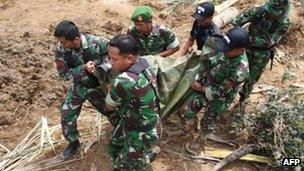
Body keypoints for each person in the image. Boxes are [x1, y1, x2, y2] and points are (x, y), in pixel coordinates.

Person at [53, 20, 112, 159]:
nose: (61, 45)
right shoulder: (60, 50)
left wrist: (103, 68)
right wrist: (83, 68)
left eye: (64, 42)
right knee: (66, 114)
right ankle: (73, 143)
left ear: (76, 39)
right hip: (79, 87)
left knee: (112, 112)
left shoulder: (97, 42)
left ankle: (120, 134)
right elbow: (64, 75)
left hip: (98, 86)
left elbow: (117, 56)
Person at [105, 34, 162, 170]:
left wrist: (110, 88)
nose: (110, 63)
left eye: (114, 59)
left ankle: (146, 157)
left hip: (142, 132)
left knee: (122, 168)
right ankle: (134, 157)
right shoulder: (144, 62)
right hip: (138, 122)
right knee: (113, 147)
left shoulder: (124, 81)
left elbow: (109, 106)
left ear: (129, 58)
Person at [179, 27, 250, 132]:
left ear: (240, 50)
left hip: (219, 99)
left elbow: (221, 92)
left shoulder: (240, 71)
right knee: (186, 111)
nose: (223, 50)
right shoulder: (227, 50)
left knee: (207, 124)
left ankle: (201, 141)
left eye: (227, 49)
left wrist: (201, 88)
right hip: (206, 85)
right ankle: (190, 130)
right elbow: (213, 62)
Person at [232, 0, 292, 104]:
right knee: (233, 73)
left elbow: (269, 42)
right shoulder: (258, 11)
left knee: (251, 79)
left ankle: (242, 100)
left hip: (262, 55)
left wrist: (248, 39)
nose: (271, 14)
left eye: (275, 13)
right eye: (271, 11)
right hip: (244, 49)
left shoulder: (285, 23)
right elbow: (237, 22)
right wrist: (236, 35)